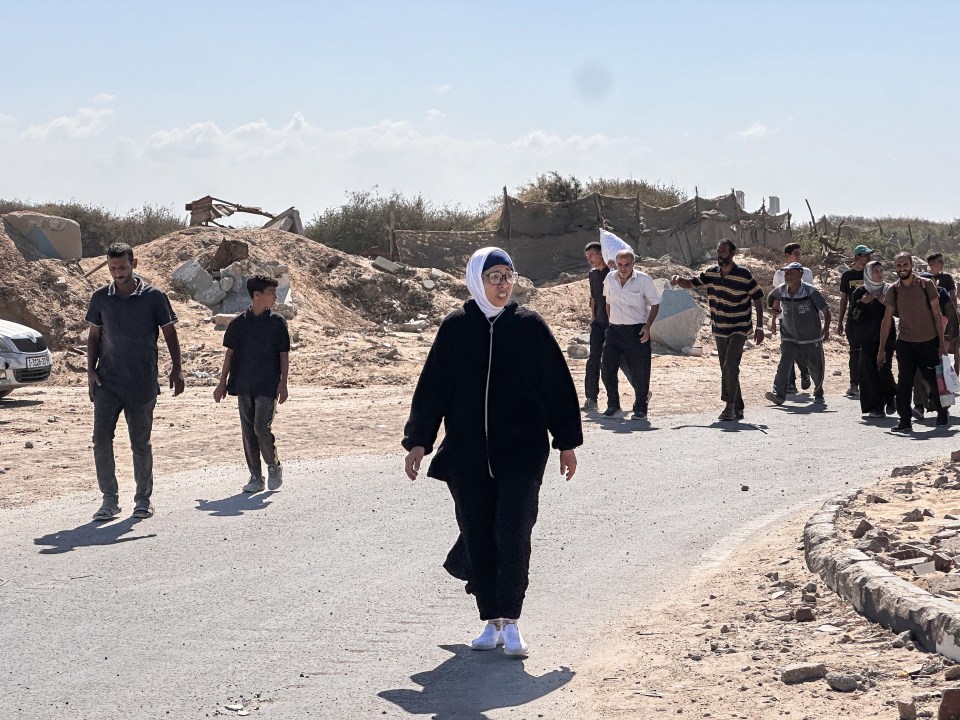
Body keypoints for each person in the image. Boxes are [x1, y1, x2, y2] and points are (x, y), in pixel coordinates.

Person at [402, 247, 582, 658]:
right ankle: (491, 621)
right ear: (476, 280)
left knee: (514, 533)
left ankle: (513, 622)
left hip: (522, 454)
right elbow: (432, 389)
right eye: (494, 276)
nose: (503, 284)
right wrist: (419, 440)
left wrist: (566, 442)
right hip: (466, 455)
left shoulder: (530, 326)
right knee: (480, 537)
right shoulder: (455, 328)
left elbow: (556, 385)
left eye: (508, 275)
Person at [85, 242, 184, 520]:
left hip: (142, 383)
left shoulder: (154, 297)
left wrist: (177, 369)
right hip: (107, 382)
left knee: (140, 443)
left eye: (122, 267)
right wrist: (90, 371)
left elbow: (170, 334)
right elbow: (94, 336)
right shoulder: (100, 298)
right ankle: (109, 499)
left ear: (134, 264)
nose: (117, 272)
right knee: (101, 440)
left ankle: (143, 499)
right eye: (113, 267)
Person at [670, 240, 765, 421]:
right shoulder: (711, 273)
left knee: (730, 364)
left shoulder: (744, 274)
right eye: (718, 251)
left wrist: (760, 327)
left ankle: (728, 407)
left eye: (723, 251)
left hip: (739, 327)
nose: (719, 254)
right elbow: (691, 283)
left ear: (732, 253)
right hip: (720, 327)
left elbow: (758, 299)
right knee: (727, 368)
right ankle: (738, 406)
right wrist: (677, 279)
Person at [213, 275, 290, 493]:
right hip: (243, 383)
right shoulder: (238, 324)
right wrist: (221, 384)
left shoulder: (277, 323)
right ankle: (256, 477)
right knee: (248, 431)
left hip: (268, 385)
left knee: (260, 427)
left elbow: (284, 355)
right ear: (256, 296)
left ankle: (273, 465)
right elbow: (229, 355)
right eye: (271, 293)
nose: (275, 297)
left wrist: (283, 384)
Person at [878, 252, 949, 433]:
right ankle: (904, 420)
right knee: (904, 382)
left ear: (912, 265)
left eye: (905, 265)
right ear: (895, 268)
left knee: (933, 380)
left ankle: (942, 412)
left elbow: (936, 315)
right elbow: (886, 320)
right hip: (905, 343)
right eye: (899, 266)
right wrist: (881, 349)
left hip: (928, 341)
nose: (902, 269)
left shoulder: (927, 285)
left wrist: (941, 343)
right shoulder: (893, 290)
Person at [601, 249, 660, 419]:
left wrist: (648, 327)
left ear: (633, 264)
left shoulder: (643, 280)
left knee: (640, 370)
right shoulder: (609, 279)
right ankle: (613, 405)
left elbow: (655, 304)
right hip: (614, 330)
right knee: (607, 368)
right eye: (620, 264)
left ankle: (640, 408)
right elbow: (608, 301)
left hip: (636, 330)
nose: (623, 268)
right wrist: (610, 322)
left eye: (627, 264)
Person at [765, 262, 830, 406]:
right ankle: (779, 394)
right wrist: (773, 313)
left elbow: (826, 311)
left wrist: (825, 329)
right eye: (786, 273)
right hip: (789, 335)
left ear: (800, 274)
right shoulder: (782, 290)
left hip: (810, 336)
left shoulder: (810, 291)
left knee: (815, 365)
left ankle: (819, 392)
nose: (787, 276)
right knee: (784, 364)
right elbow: (771, 297)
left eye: (791, 273)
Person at [582, 241, 632, 412]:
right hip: (598, 324)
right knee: (593, 360)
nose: (589, 259)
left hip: (615, 324)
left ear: (601, 254)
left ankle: (642, 391)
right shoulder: (592, 274)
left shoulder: (613, 273)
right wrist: (594, 319)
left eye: (592, 255)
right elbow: (593, 299)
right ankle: (591, 398)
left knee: (621, 359)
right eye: (587, 256)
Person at [850, 261, 896, 418]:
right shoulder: (860, 292)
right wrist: (862, 303)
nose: (880, 273)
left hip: (886, 337)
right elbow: (853, 316)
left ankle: (891, 396)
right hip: (867, 338)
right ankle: (876, 407)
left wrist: (886, 303)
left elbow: (899, 313)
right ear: (869, 273)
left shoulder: (889, 290)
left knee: (883, 368)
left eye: (881, 270)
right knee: (869, 372)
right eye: (876, 271)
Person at [771, 243, 814, 394]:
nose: (798, 256)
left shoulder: (806, 272)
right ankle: (789, 383)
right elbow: (777, 297)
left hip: (803, 318)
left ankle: (805, 371)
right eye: (795, 253)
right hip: (786, 316)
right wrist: (774, 320)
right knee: (787, 349)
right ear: (787, 256)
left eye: (799, 253)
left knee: (799, 348)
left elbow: (811, 295)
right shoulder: (779, 275)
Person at [837, 245, 873, 398]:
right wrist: (840, 321)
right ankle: (854, 384)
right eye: (866, 256)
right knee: (854, 352)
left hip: (871, 318)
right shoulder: (847, 276)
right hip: (854, 318)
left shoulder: (872, 273)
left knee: (870, 351)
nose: (869, 258)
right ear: (858, 257)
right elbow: (844, 299)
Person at [928, 252, 959, 374]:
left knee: (954, 348)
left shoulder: (946, 277)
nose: (942, 264)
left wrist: (954, 317)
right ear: (931, 264)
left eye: (942, 261)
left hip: (947, 317)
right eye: (939, 261)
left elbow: (953, 297)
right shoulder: (925, 278)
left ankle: (955, 379)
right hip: (931, 320)